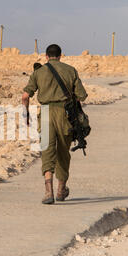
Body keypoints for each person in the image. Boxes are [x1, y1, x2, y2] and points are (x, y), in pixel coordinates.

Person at [22, 44, 88, 204]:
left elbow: (25, 96)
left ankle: (48, 191)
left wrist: (26, 115)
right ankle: (61, 190)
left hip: (44, 114)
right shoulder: (70, 70)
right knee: (63, 153)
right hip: (64, 115)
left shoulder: (38, 72)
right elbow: (82, 96)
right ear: (60, 56)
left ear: (46, 56)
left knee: (47, 151)